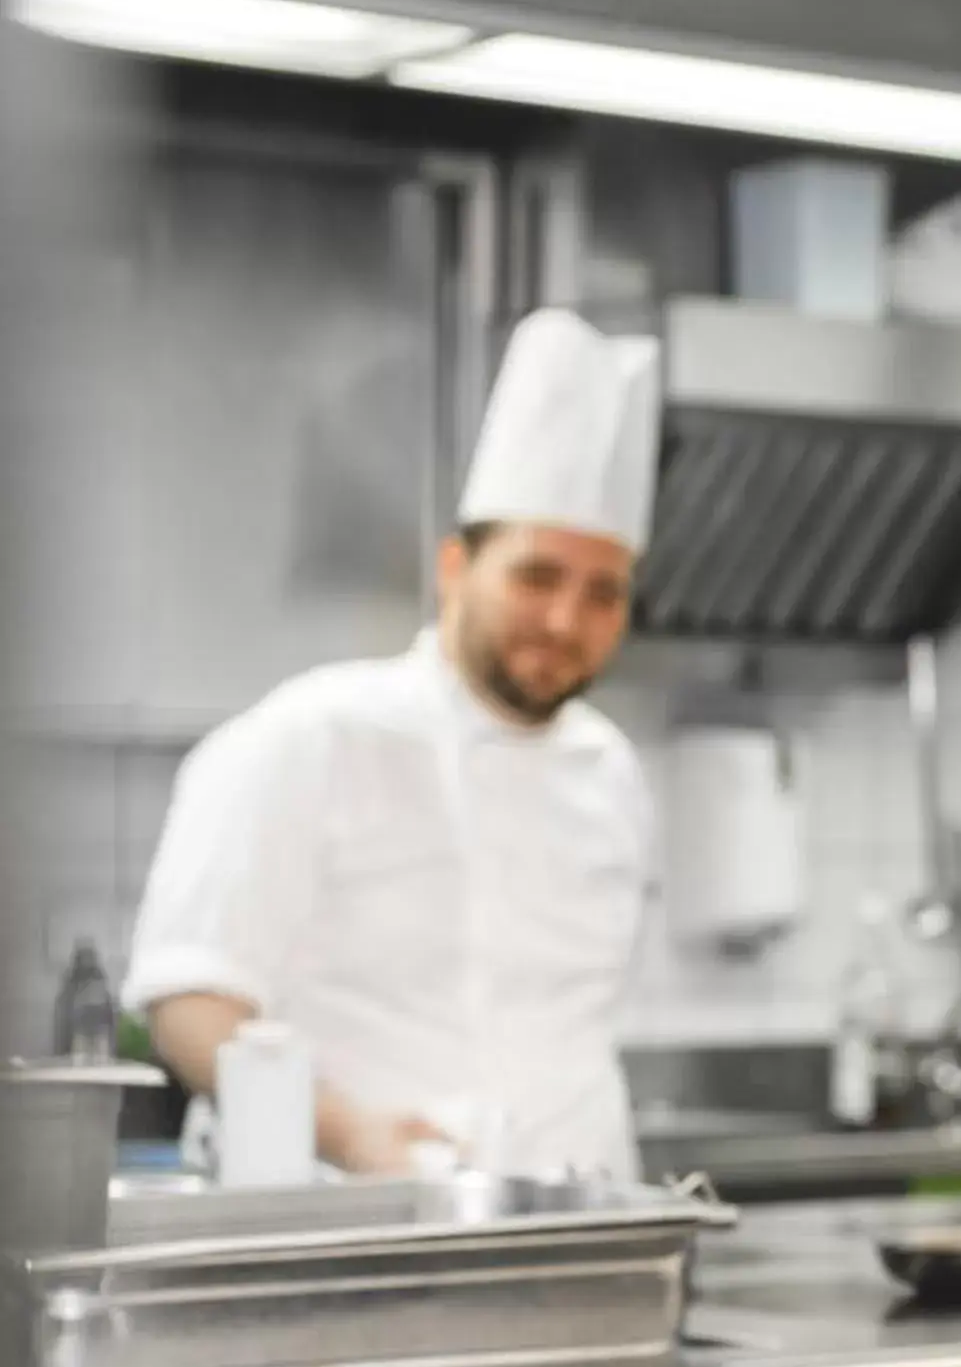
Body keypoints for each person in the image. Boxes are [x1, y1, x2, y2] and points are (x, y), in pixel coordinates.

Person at [125, 309, 660, 1185]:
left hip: (580, 1238)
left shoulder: (613, 773)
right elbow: (192, 1003)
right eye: (536, 576)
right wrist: (353, 1137)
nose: (567, 621)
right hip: (350, 1236)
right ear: (456, 569)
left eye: (605, 592)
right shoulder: (309, 738)